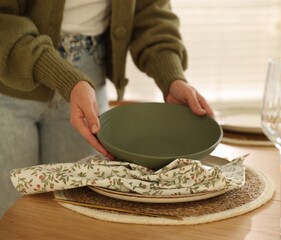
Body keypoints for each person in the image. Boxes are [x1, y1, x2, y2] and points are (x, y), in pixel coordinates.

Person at [0, 0, 214, 216]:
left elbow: (151, 13)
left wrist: (171, 77)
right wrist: (65, 78)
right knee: (10, 217)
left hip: (87, 86)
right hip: (8, 83)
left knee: (77, 216)